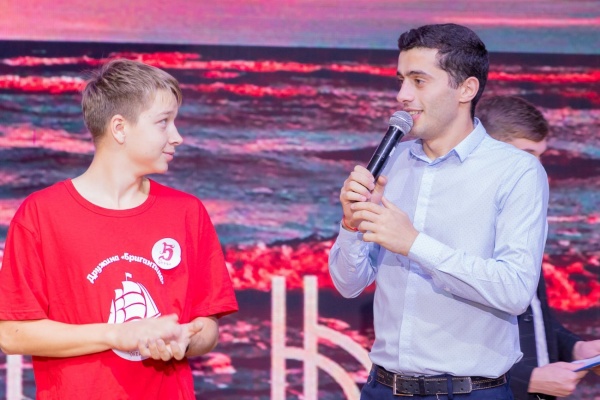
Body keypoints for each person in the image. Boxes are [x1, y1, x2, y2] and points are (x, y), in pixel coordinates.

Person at [329, 23, 549, 399]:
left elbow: (514, 290)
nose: (402, 95)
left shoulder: (516, 171)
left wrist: (414, 243)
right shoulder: (392, 162)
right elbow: (348, 285)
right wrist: (351, 226)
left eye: (418, 81)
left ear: (466, 89)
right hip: (383, 387)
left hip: (469, 391)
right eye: (401, 80)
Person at [0, 59, 238, 399]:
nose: (177, 137)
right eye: (163, 122)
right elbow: (12, 334)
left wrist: (186, 340)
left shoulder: (188, 212)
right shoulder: (41, 214)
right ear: (120, 128)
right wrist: (117, 335)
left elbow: (208, 328)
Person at [476, 95, 600, 400]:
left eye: (540, 157)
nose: (538, 170)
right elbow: (441, 338)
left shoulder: (519, 218)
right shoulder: (458, 225)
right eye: (527, 155)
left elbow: (531, 314)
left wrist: (576, 348)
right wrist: (526, 380)